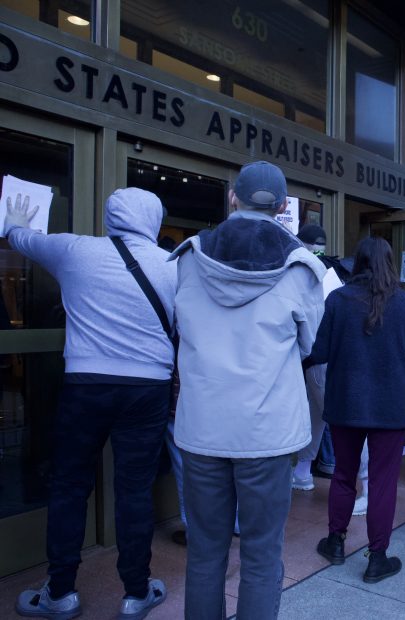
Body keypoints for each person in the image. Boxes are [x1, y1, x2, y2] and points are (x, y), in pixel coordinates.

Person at [9, 189, 175, 619]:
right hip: (149, 389)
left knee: (68, 487)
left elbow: (19, 238)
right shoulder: (173, 264)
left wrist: (15, 219)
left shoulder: (75, 250)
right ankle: (136, 593)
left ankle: (60, 592)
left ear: (110, 215)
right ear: (153, 219)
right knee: (134, 490)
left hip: (85, 384)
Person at [171, 161, 326, 618]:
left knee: (204, 555)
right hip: (268, 432)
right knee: (260, 556)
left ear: (232, 198)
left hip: (201, 428)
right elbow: (310, 344)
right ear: (281, 208)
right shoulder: (301, 267)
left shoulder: (188, 257)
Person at [313, 237, 405, 583]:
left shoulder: (338, 300)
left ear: (357, 263)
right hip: (393, 409)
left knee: (343, 475)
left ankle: (335, 541)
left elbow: (320, 351)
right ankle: (377, 557)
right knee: (382, 483)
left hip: (345, 403)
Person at [291, 223, 348, 492]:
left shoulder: (304, 272)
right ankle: (303, 472)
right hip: (328, 357)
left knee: (333, 419)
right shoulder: (334, 272)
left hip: (315, 357)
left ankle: (360, 481)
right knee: (319, 417)